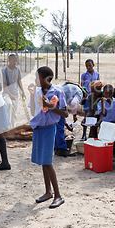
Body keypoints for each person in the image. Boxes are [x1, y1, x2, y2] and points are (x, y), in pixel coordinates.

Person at [28, 66, 68, 209]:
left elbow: (65, 113)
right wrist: (32, 96)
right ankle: (48, 192)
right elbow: (33, 111)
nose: (35, 80)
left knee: (48, 161)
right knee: (43, 162)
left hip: (50, 128)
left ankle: (58, 195)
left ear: (45, 79)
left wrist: (49, 106)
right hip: (38, 127)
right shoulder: (37, 92)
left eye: (37, 77)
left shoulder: (57, 91)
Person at [54, 82, 85, 156]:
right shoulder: (79, 92)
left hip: (53, 98)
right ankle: (62, 149)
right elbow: (74, 103)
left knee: (56, 125)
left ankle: (56, 147)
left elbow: (64, 110)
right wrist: (74, 115)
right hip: (58, 98)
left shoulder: (72, 88)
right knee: (60, 127)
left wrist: (66, 123)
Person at [2, 53, 26, 128]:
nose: (15, 62)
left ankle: (13, 127)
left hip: (15, 94)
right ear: (9, 60)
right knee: (9, 105)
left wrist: (23, 92)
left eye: (16, 61)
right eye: (14, 60)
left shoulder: (17, 70)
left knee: (14, 113)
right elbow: (4, 84)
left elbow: (19, 81)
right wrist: (9, 94)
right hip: (6, 94)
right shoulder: (4, 70)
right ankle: (7, 127)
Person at [97, 84, 115, 154]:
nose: (108, 95)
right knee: (107, 139)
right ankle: (108, 152)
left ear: (112, 94)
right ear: (103, 93)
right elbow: (103, 114)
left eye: (110, 94)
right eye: (106, 93)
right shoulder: (101, 103)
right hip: (107, 124)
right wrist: (102, 103)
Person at [80, 59, 100, 139]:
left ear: (93, 65)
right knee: (86, 115)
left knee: (94, 114)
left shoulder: (96, 74)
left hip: (95, 98)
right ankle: (84, 134)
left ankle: (92, 134)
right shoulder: (84, 75)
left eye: (90, 66)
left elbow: (98, 84)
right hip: (87, 97)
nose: (88, 67)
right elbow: (82, 86)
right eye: (87, 66)